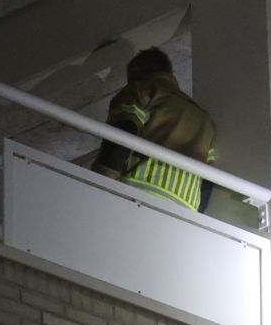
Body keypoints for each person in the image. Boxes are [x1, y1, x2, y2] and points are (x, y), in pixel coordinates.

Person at [92, 48, 216, 212]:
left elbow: (123, 133)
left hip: (139, 192)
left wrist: (98, 184)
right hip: (186, 208)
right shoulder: (206, 120)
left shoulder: (140, 90)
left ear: (136, 73)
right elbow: (207, 180)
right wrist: (196, 215)